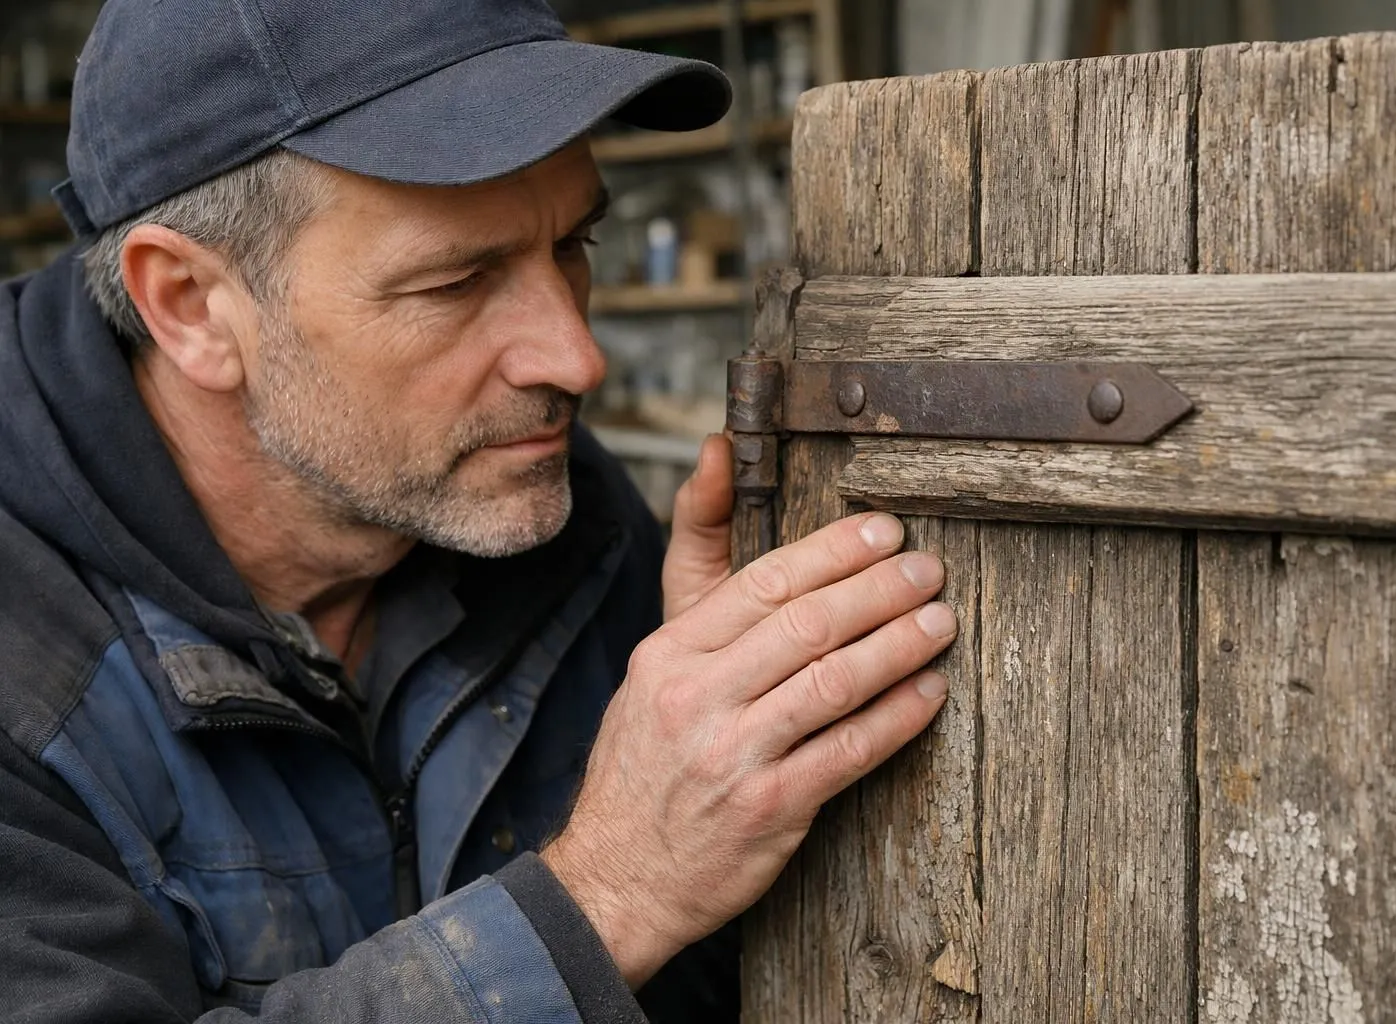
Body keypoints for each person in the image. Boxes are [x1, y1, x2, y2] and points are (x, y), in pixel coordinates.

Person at [0, 0, 959, 1021]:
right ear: (190, 305)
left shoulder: (566, 525)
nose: (576, 359)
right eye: (457, 282)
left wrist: (733, 768)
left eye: (575, 242)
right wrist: (613, 889)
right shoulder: (31, 674)